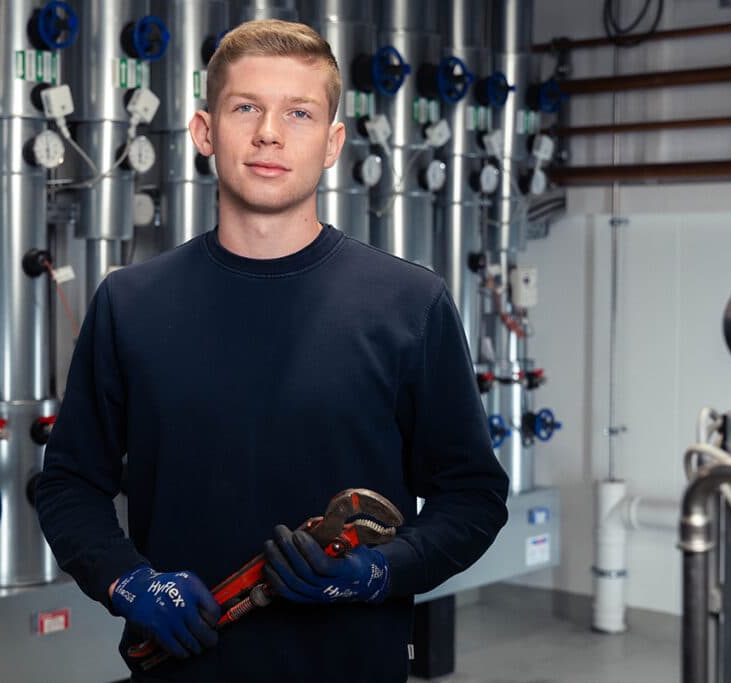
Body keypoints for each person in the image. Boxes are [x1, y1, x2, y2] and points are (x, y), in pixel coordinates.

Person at [37, 18, 509, 683]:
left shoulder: (410, 304)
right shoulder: (130, 303)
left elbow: (474, 496)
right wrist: (128, 583)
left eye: (300, 113)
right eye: (245, 108)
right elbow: (68, 484)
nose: (269, 132)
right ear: (205, 131)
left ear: (331, 143)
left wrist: (377, 571)